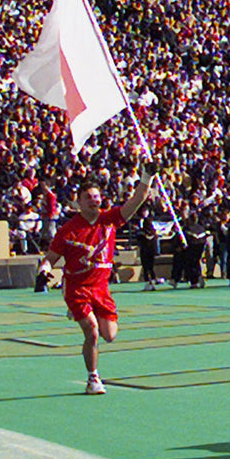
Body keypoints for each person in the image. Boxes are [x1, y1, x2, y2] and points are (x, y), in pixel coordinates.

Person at [43, 166, 153, 394]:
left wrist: (147, 176)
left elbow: (137, 200)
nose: (93, 201)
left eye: (96, 197)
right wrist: (44, 270)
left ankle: (82, 314)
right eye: (88, 198)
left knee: (109, 336)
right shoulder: (67, 230)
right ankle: (93, 378)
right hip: (77, 288)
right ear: (78, 203)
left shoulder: (109, 219)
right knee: (91, 332)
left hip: (101, 288)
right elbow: (50, 258)